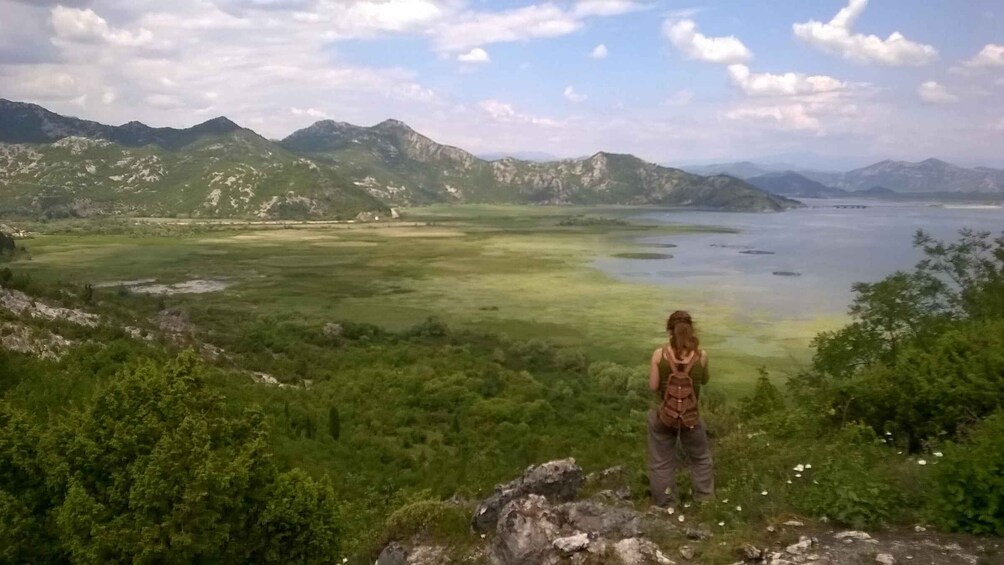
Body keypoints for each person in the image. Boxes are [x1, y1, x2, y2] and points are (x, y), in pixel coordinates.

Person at [647, 310, 714, 509]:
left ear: (670, 331)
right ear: (691, 329)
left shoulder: (660, 354)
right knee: (700, 458)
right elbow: (705, 381)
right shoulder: (702, 356)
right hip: (690, 418)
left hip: (664, 416)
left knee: (661, 462)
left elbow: (652, 386)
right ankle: (705, 502)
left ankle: (665, 504)